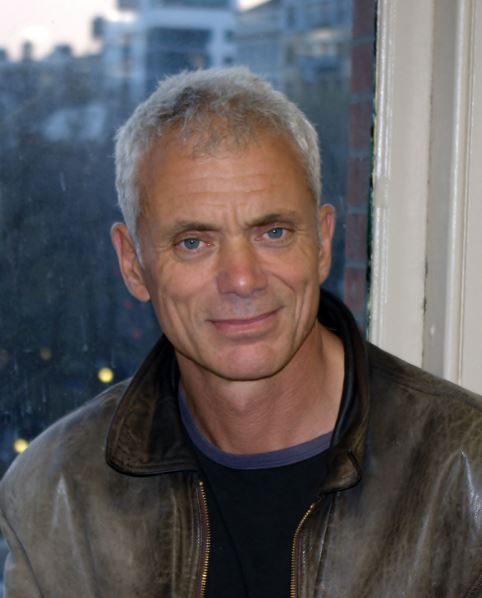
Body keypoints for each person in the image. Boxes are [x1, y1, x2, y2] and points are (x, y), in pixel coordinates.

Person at [1, 67, 482, 598]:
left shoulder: (467, 472)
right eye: (193, 242)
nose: (242, 279)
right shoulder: (56, 494)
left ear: (322, 243)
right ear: (133, 264)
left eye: (273, 232)